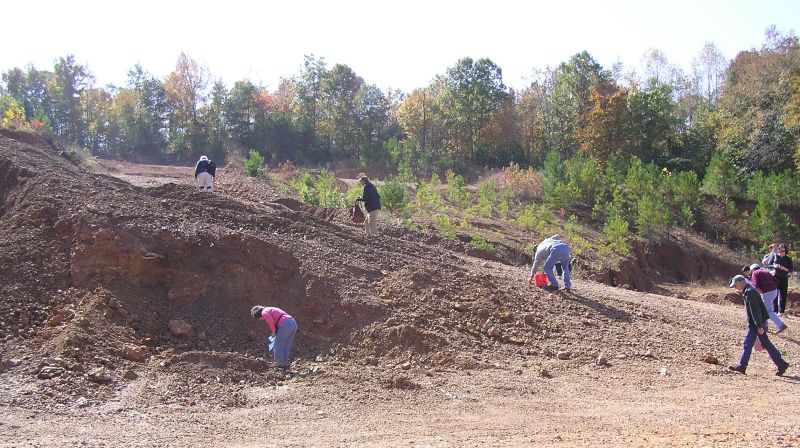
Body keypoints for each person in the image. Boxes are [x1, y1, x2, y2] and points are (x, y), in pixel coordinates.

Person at [727, 275, 790, 376]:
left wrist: (759, 326)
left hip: (756, 324)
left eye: (735, 285)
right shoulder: (749, 290)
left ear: (741, 282)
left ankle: (742, 366)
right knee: (766, 344)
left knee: (747, 344)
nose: (735, 287)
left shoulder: (749, 292)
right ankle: (781, 363)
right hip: (758, 323)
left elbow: (755, 311)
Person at [250, 305, 297, 370]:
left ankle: (280, 366)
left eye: (259, 318)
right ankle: (285, 364)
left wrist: (273, 331)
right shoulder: (270, 309)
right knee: (286, 346)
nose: (261, 319)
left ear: (258, 314)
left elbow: (271, 321)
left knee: (277, 346)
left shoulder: (264, 312)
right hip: (293, 324)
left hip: (285, 325)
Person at [749, 264, 787, 333]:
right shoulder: (765, 271)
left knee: (766, 310)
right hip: (774, 291)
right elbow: (776, 280)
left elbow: (755, 286)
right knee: (766, 309)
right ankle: (765, 326)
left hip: (767, 292)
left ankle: (779, 325)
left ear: (753, 269)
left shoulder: (755, 273)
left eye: (751, 271)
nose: (751, 273)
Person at [766, 243, 793, 316]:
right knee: (775, 293)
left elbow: (790, 270)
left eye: (783, 251)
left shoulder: (788, 259)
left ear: (786, 251)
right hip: (775, 277)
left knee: (783, 294)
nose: (781, 252)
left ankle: (781, 311)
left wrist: (784, 268)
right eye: (780, 250)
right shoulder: (775, 256)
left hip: (784, 277)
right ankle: (775, 311)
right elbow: (768, 265)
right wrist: (774, 266)